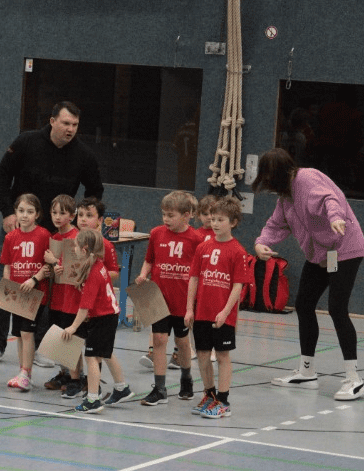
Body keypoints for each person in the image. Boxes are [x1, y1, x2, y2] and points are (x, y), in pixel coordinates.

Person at [0, 101, 104, 367]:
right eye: (65, 123)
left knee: (49, 288)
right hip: (20, 229)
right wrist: (7, 212)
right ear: (52, 122)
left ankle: (40, 346)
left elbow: (95, 192)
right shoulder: (26, 143)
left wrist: (82, 221)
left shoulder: (83, 155)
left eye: (74, 125)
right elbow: (0, 178)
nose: (70, 129)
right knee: (6, 283)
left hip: (55, 236)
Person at [253, 147, 364, 401]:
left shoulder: (307, 179)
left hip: (344, 247)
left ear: (280, 174)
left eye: (269, 179)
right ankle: (307, 371)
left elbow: (330, 199)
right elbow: (275, 224)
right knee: (303, 305)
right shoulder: (285, 198)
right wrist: (261, 242)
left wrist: (336, 218)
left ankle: (354, 378)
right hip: (320, 254)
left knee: (337, 308)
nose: (268, 185)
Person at [134, 191, 202, 405]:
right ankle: (160, 388)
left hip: (181, 299)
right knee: (159, 340)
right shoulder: (156, 233)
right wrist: (143, 275)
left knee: (182, 342)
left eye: (171, 215)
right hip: (158, 297)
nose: (166, 219)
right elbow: (149, 260)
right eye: (164, 214)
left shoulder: (196, 239)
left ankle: (186, 378)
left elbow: (200, 271)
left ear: (186, 215)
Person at [185, 197, 249, 418]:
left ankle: (223, 400)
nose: (215, 223)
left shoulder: (238, 251)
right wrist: (189, 309)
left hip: (223, 315)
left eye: (220, 220)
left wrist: (225, 311)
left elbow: (237, 286)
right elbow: (194, 278)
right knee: (202, 354)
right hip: (202, 311)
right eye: (213, 219)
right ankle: (209, 395)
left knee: (222, 355)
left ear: (233, 222)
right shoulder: (203, 247)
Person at [60, 229, 132, 413]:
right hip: (109, 315)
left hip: (103, 318)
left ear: (84, 249)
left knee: (91, 357)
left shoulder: (93, 272)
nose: (73, 249)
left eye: (76, 246)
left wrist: (73, 326)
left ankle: (93, 399)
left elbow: (85, 306)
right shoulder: (98, 264)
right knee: (106, 353)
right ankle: (121, 388)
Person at [0, 194, 51, 391]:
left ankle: (26, 373)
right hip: (17, 293)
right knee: (19, 334)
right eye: (21, 211)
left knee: (28, 333)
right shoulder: (11, 237)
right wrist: (8, 289)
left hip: (34, 293)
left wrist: (34, 279)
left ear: (37, 214)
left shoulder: (44, 235)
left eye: (29, 211)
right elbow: (7, 265)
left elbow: (48, 266)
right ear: (15, 213)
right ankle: (23, 371)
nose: (25, 215)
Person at [40, 194, 79, 391]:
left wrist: (55, 261)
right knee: (59, 335)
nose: (57, 217)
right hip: (56, 296)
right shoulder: (54, 238)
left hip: (71, 297)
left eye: (62, 213)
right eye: (54, 212)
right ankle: (64, 373)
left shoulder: (77, 238)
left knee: (71, 337)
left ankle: (76, 377)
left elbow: (74, 269)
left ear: (72, 216)